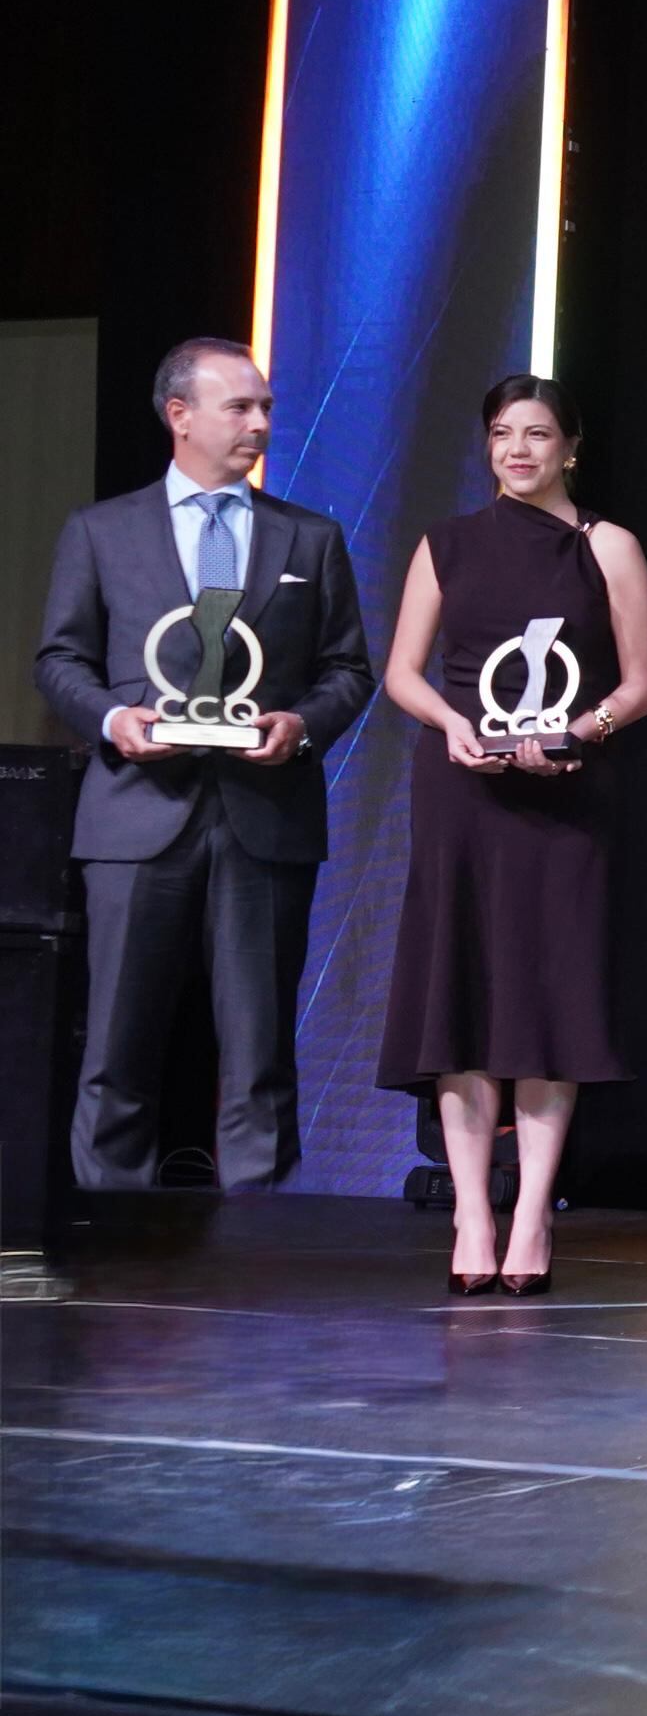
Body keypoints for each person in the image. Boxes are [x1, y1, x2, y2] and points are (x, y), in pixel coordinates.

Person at [34, 338, 372, 1194]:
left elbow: (347, 669)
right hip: (135, 812)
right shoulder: (102, 530)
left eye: (265, 408)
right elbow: (61, 659)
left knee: (260, 1051)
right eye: (240, 407)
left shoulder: (310, 536)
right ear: (179, 415)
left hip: (265, 814)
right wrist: (115, 719)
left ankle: (258, 1233)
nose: (260, 423)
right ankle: (107, 1222)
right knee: (115, 1044)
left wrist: (301, 725)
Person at [375, 375, 647, 1294]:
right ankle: (471, 1212)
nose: (518, 450)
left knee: (550, 1000)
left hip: (567, 797)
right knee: (459, 994)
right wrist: (451, 724)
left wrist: (579, 731)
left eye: (538, 434)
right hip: (462, 792)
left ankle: (533, 1213)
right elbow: (404, 672)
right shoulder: (447, 543)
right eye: (503, 433)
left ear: (571, 447)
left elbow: (644, 684)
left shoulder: (607, 545)